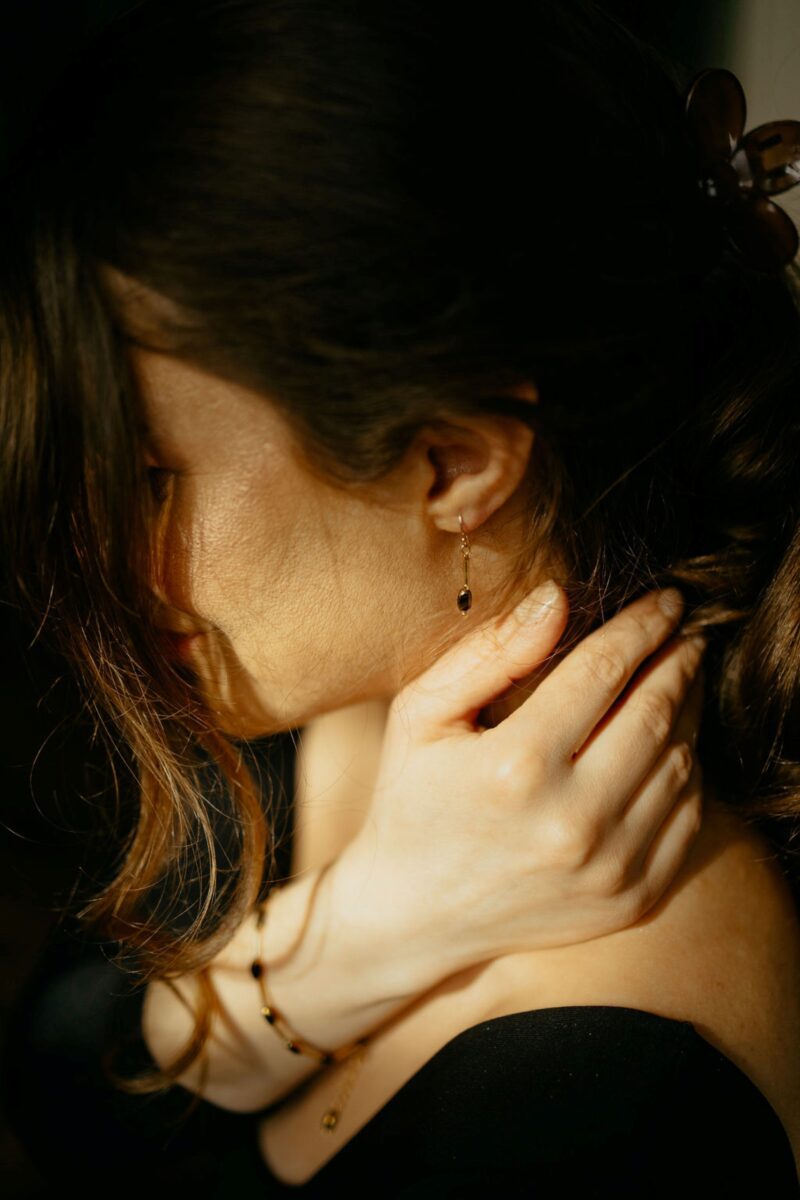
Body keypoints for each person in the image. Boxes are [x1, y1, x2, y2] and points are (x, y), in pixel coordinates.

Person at [1, 0, 799, 1195]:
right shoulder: (322, 682)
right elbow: (63, 1066)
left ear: (453, 465)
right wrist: (370, 930)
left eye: (155, 478)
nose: (104, 559)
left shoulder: (604, 1097)